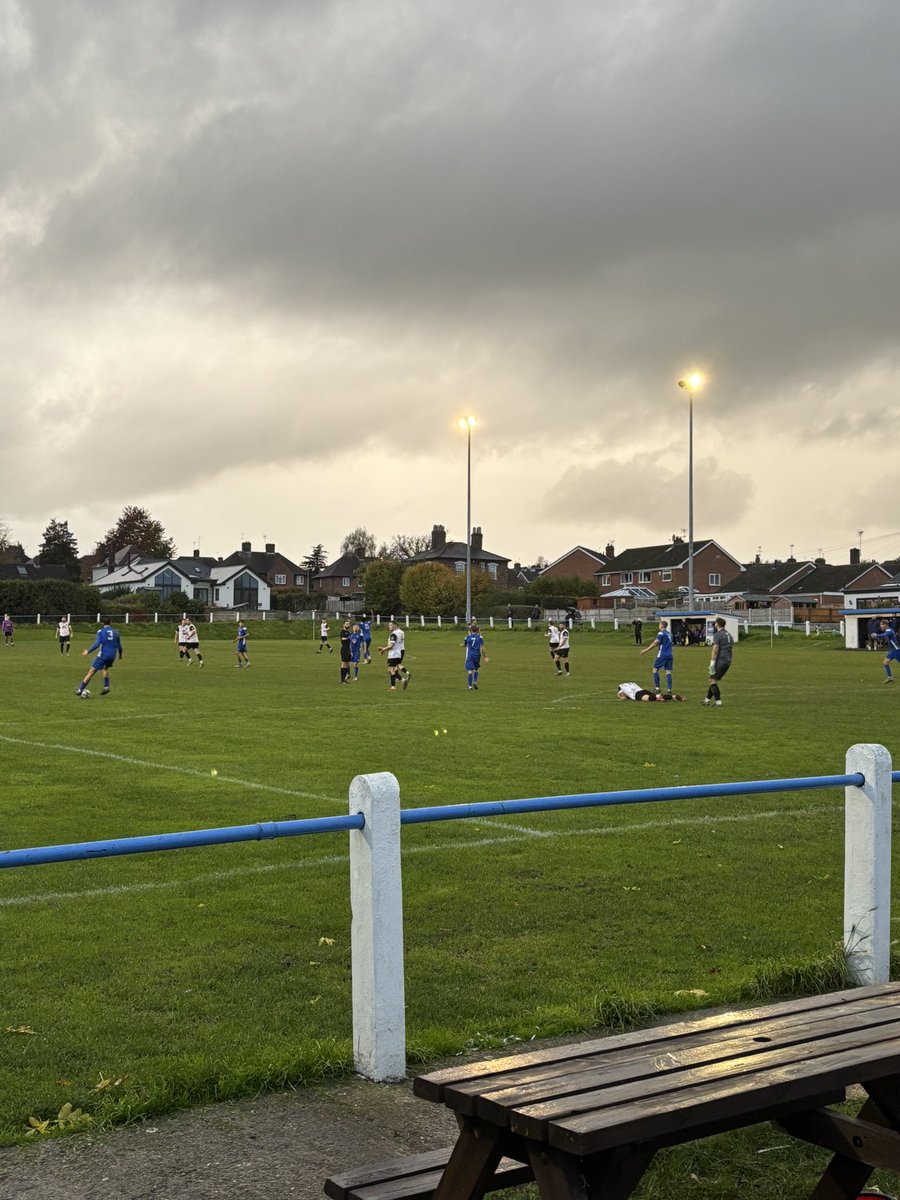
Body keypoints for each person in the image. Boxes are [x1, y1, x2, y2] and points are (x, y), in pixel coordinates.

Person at [75, 617, 123, 698]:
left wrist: (88, 651)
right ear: (110, 622)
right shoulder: (116, 632)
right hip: (112, 655)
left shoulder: (100, 631)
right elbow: (120, 646)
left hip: (104, 654)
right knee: (105, 668)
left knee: (92, 671)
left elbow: (97, 644)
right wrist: (120, 655)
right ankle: (106, 686)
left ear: (103, 623)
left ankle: (80, 689)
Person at [704, 617, 734, 706]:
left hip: (720, 660)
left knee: (712, 680)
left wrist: (712, 663)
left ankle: (718, 702)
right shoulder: (729, 635)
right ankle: (706, 700)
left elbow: (715, 648)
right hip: (728, 660)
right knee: (713, 679)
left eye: (715, 623)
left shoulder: (718, 634)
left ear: (717, 624)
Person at [640, 618, 674, 694]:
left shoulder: (661, 633)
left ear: (662, 625)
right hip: (670, 654)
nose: (659, 626)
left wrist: (645, 650)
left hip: (662, 654)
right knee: (668, 671)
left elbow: (655, 643)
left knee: (655, 669)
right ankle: (669, 690)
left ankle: (657, 688)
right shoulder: (669, 634)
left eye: (659, 624)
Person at [378, 621, 411, 690]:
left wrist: (383, 649)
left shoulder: (393, 634)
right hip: (399, 653)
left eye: (390, 625)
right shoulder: (401, 632)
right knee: (393, 669)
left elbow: (391, 646)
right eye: (389, 625)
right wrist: (384, 649)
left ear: (395, 625)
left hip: (393, 654)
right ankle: (393, 686)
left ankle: (402, 680)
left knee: (391, 670)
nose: (389, 627)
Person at [462, 624, 487, 690]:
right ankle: (475, 682)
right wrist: (485, 656)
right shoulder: (480, 637)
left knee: (470, 671)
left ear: (471, 630)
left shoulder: (467, 637)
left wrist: (462, 645)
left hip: (470, 655)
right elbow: (482, 648)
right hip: (477, 655)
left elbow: (464, 644)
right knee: (476, 669)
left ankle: (470, 687)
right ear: (477, 630)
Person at [878, 619, 900, 684]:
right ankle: (890, 677)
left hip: (896, 650)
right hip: (892, 651)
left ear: (885, 625)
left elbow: (885, 635)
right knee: (885, 663)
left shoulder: (889, 630)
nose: (880, 626)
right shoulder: (888, 630)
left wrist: (877, 635)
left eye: (881, 624)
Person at [617, 682, 686, 702]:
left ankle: (659, 697)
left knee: (649, 698)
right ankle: (673, 696)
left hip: (638, 694)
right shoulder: (631, 683)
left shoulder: (622, 688)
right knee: (656, 697)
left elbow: (622, 696)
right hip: (644, 690)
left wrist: (621, 697)